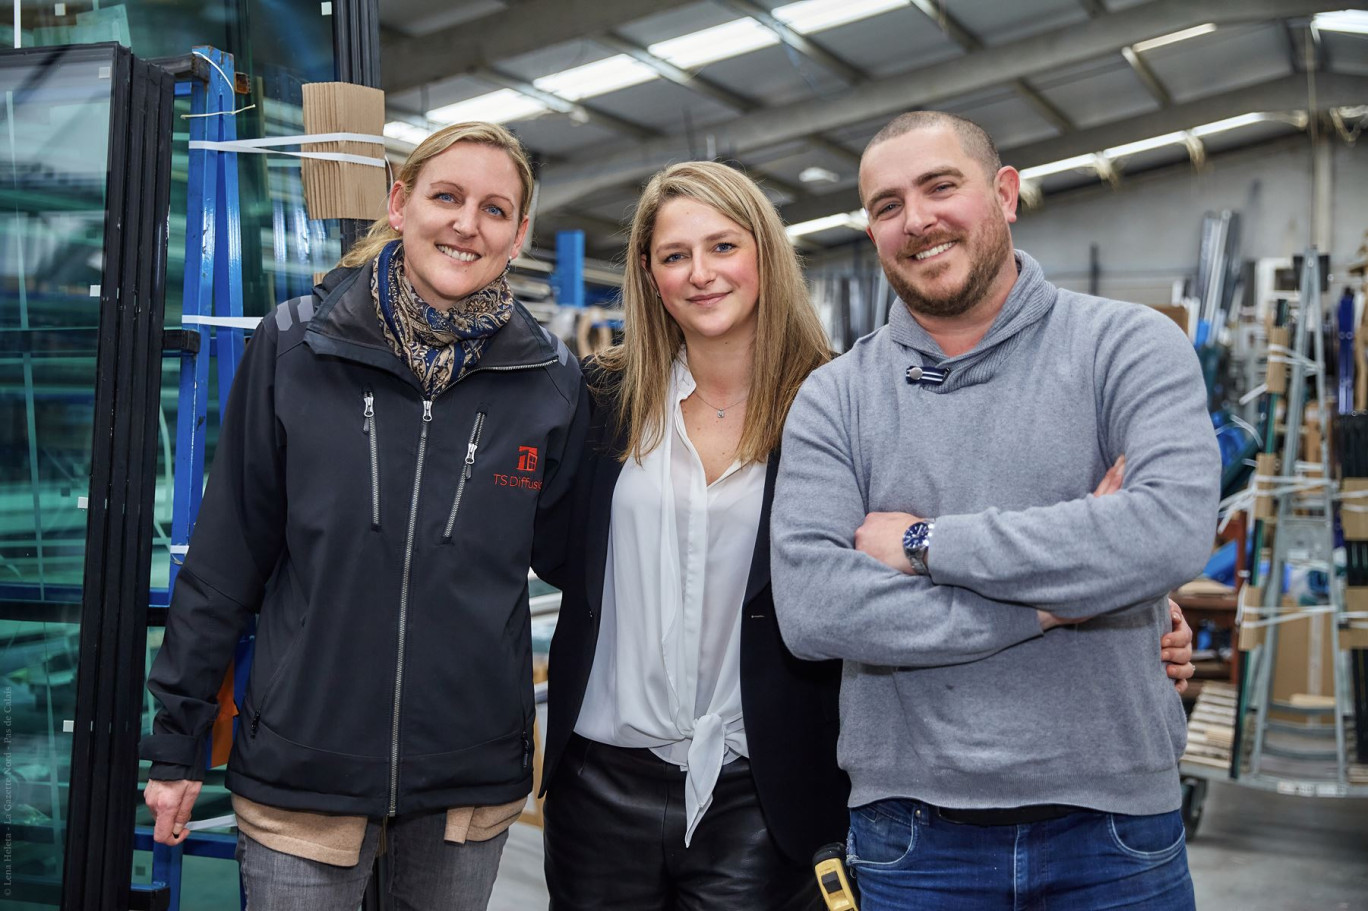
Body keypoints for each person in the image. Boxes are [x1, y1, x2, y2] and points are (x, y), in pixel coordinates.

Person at [537, 160, 1197, 910]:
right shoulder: (603, 399)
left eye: (723, 246)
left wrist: (1136, 597)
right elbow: (553, 546)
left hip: (766, 783)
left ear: (764, 254)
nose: (700, 273)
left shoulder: (831, 401)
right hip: (600, 778)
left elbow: (939, 544)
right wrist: (1070, 591)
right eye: (674, 255)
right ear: (650, 276)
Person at [770, 111, 1222, 910]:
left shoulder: (1128, 346)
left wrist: (921, 541)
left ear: (1005, 194)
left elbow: (1169, 529)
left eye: (941, 186)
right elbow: (814, 609)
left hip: (1115, 825)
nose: (917, 219)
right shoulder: (835, 396)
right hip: (911, 835)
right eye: (886, 204)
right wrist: (1054, 602)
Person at [140, 121, 587, 910]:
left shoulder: (550, 381)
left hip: (465, 785)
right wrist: (175, 748)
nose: (465, 223)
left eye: (493, 209)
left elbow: (580, 561)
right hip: (301, 775)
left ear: (518, 236)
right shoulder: (294, 346)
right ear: (399, 202)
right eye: (446, 197)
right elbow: (224, 558)